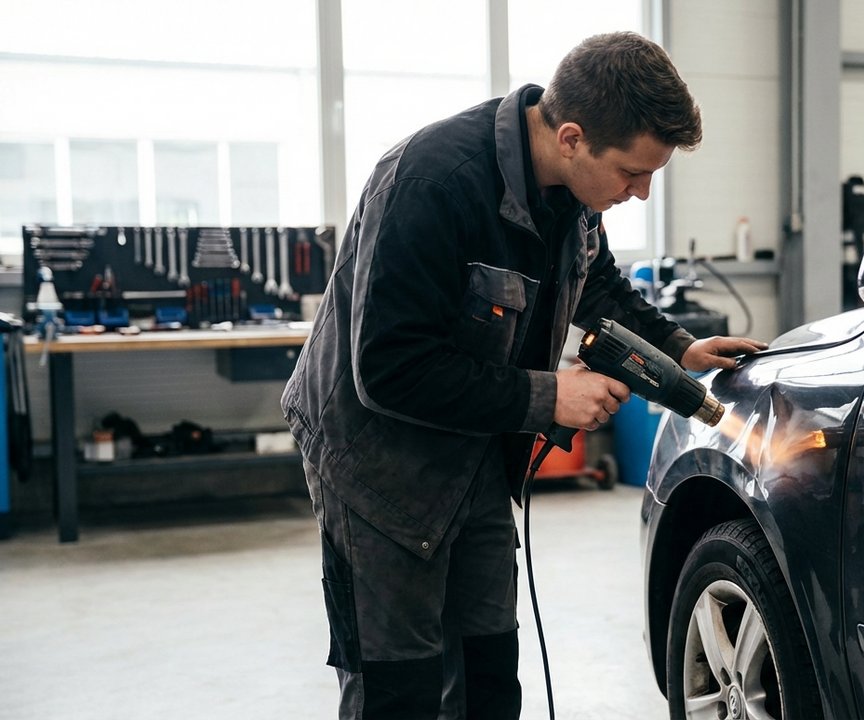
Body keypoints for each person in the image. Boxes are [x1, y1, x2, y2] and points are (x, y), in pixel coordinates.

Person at [281, 31, 767, 719]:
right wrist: (551, 397)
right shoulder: (432, 181)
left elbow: (597, 288)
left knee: (489, 677)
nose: (642, 192)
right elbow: (386, 370)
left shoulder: (573, 198)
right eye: (633, 173)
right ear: (572, 136)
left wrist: (681, 348)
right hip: (374, 463)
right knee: (402, 688)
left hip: (474, 445)